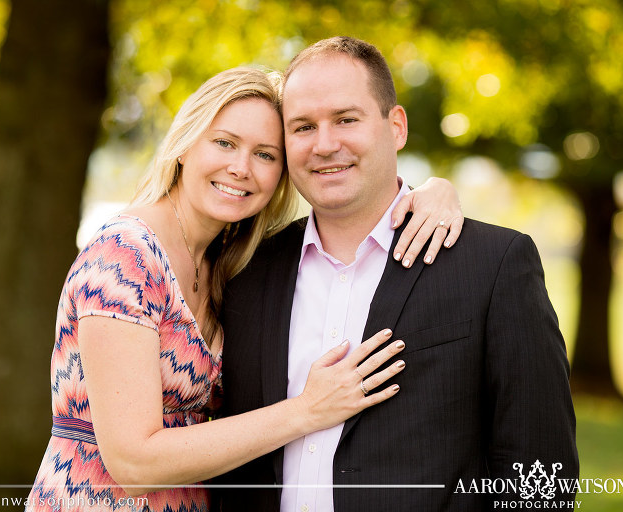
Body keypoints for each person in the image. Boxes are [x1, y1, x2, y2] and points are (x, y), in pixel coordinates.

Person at [26, 67, 463, 512]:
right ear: (184, 144)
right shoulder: (125, 256)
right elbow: (133, 461)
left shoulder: (230, 264)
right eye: (224, 143)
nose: (241, 168)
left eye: (266, 155)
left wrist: (433, 192)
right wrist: (307, 410)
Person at [216, 37, 579, 511]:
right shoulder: (247, 270)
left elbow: (541, 480)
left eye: (347, 119)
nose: (326, 145)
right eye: (303, 126)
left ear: (396, 126)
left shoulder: (493, 264)